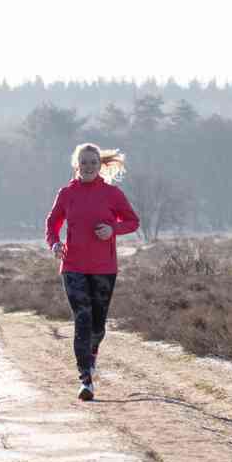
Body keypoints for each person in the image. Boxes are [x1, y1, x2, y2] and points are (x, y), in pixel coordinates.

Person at [45, 143, 139, 401]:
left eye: (92, 163)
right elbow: (52, 223)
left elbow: (132, 221)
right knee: (82, 320)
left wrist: (113, 229)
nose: (88, 167)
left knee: (97, 326)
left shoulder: (112, 194)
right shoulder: (66, 193)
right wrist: (54, 243)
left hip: (104, 268)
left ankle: (92, 356)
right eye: (83, 162)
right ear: (77, 165)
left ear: (100, 166)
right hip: (73, 266)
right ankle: (86, 379)